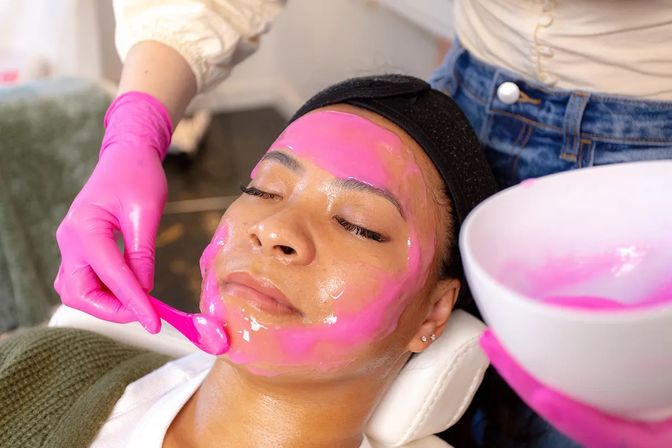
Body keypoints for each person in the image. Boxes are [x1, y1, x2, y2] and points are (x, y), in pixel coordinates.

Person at [3, 75, 502, 447]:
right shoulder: (37, 372)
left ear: (434, 312)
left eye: (356, 223)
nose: (275, 229)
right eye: (263, 189)